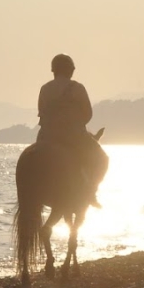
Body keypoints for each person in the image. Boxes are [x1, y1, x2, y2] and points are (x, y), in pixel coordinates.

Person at [36, 53, 109, 207]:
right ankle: (91, 192)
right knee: (103, 159)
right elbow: (88, 114)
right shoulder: (77, 88)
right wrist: (75, 124)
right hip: (73, 136)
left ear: (54, 71)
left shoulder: (45, 88)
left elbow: (41, 112)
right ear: (70, 70)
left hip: (47, 136)